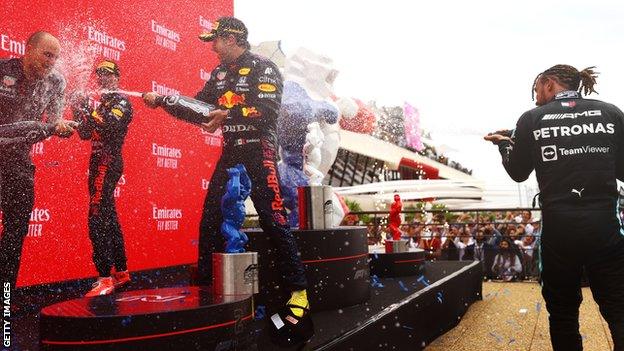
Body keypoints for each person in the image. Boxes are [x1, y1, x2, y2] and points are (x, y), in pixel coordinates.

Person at [143, 17, 310, 323]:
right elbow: (201, 107)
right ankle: (206, 292)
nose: (213, 49)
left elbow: (268, 111)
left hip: (259, 147)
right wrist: (164, 102)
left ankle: (299, 293)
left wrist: (228, 112)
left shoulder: (264, 67)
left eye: (215, 42)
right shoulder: (219, 72)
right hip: (232, 148)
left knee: (273, 218)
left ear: (231, 39)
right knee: (209, 218)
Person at [485, 64, 624, 350]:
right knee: (619, 308)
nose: (535, 97)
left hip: (560, 231)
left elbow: (518, 172)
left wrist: (505, 145)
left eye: (535, 89)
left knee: (562, 313)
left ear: (549, 84)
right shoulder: (611, 112)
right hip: (605, 228)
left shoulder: (532, 119)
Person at [0, 31, 74, 293]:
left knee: (14, 236)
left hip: (19, 164)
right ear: (28, 49)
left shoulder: (56, 82)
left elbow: (55, 121)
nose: (50, 61)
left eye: (55, 57)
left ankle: (4, 302)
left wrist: (61, 126)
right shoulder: (3, 70)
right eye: (46, 54)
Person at [72, 60, 133, 296]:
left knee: (96, 217)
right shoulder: (102, 104)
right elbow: (86, 133)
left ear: (117, 78)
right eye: (100, 75)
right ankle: (121, 273)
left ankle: (104, 278)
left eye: (108, 75)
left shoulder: (121, 101)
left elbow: (109, 126)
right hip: (98, 163)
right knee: (109, 216)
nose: (103, 79)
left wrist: (87, 108)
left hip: (108, 163)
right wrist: (78, 107)